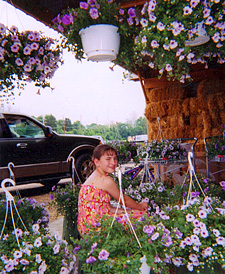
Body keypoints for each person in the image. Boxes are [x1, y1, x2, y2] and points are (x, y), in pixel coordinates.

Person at [77, 144, 148, 235]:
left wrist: (132, 211)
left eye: (115, 158)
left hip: (86, 227)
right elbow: (124, 200)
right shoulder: (106, 181)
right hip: (97, 228)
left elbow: (107, 208)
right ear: (97, 162)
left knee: (136, 214)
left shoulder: (93, 177)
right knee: (142, 218)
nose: (113, 162)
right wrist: (140, 207)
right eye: (108, 159)